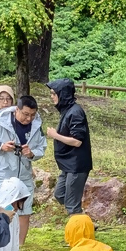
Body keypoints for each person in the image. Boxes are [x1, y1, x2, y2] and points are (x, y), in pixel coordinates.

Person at [0, 94, 47, 248]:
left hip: (24, 174)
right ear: (17, 110)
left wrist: (31, 153)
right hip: (3, 173)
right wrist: (1, 147)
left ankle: (20, 246)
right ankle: (1, 244)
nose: (29, 118)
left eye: (32, 115)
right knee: (5, 208)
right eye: (25, 114)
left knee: (24, 210)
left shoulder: (36, 125)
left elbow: (42, 147)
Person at [47, 79, 93, 215]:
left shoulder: (75, 112)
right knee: (60, 194)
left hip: (76, 165)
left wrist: (55, 135)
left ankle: (79, 233)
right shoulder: (67, 111)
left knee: (72, 205)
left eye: (53, 93)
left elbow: (77, 141)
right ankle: (85, 223)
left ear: (63, 94)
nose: (51, 96)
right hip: (68, 165)